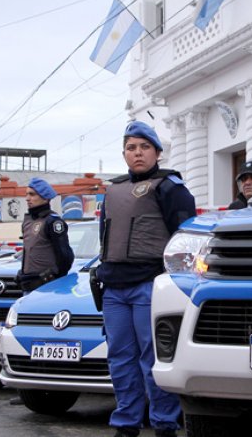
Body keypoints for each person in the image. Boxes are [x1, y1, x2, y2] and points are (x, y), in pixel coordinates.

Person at [94, 121, 196, 437]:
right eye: (131, 148)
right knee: (120, 358)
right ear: (124, 153)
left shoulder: (171, 188)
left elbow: (185, 239)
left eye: (144, 147)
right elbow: (105, 238)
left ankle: (165, 423)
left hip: (151, 284)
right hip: (114, 287)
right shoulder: (112, 190)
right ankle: (126, 424)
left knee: (153, 358)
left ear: (157, 152)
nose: (137, 153)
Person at [16, 177, 74, 294]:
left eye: (32, 195)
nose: (27, 198)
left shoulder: (53, 222)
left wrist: (55, 277)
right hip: (28, 285)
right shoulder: (28, 221)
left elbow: (65, 256)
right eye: (26, 194)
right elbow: (29, 251)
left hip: (47, 287)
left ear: (45, 197)